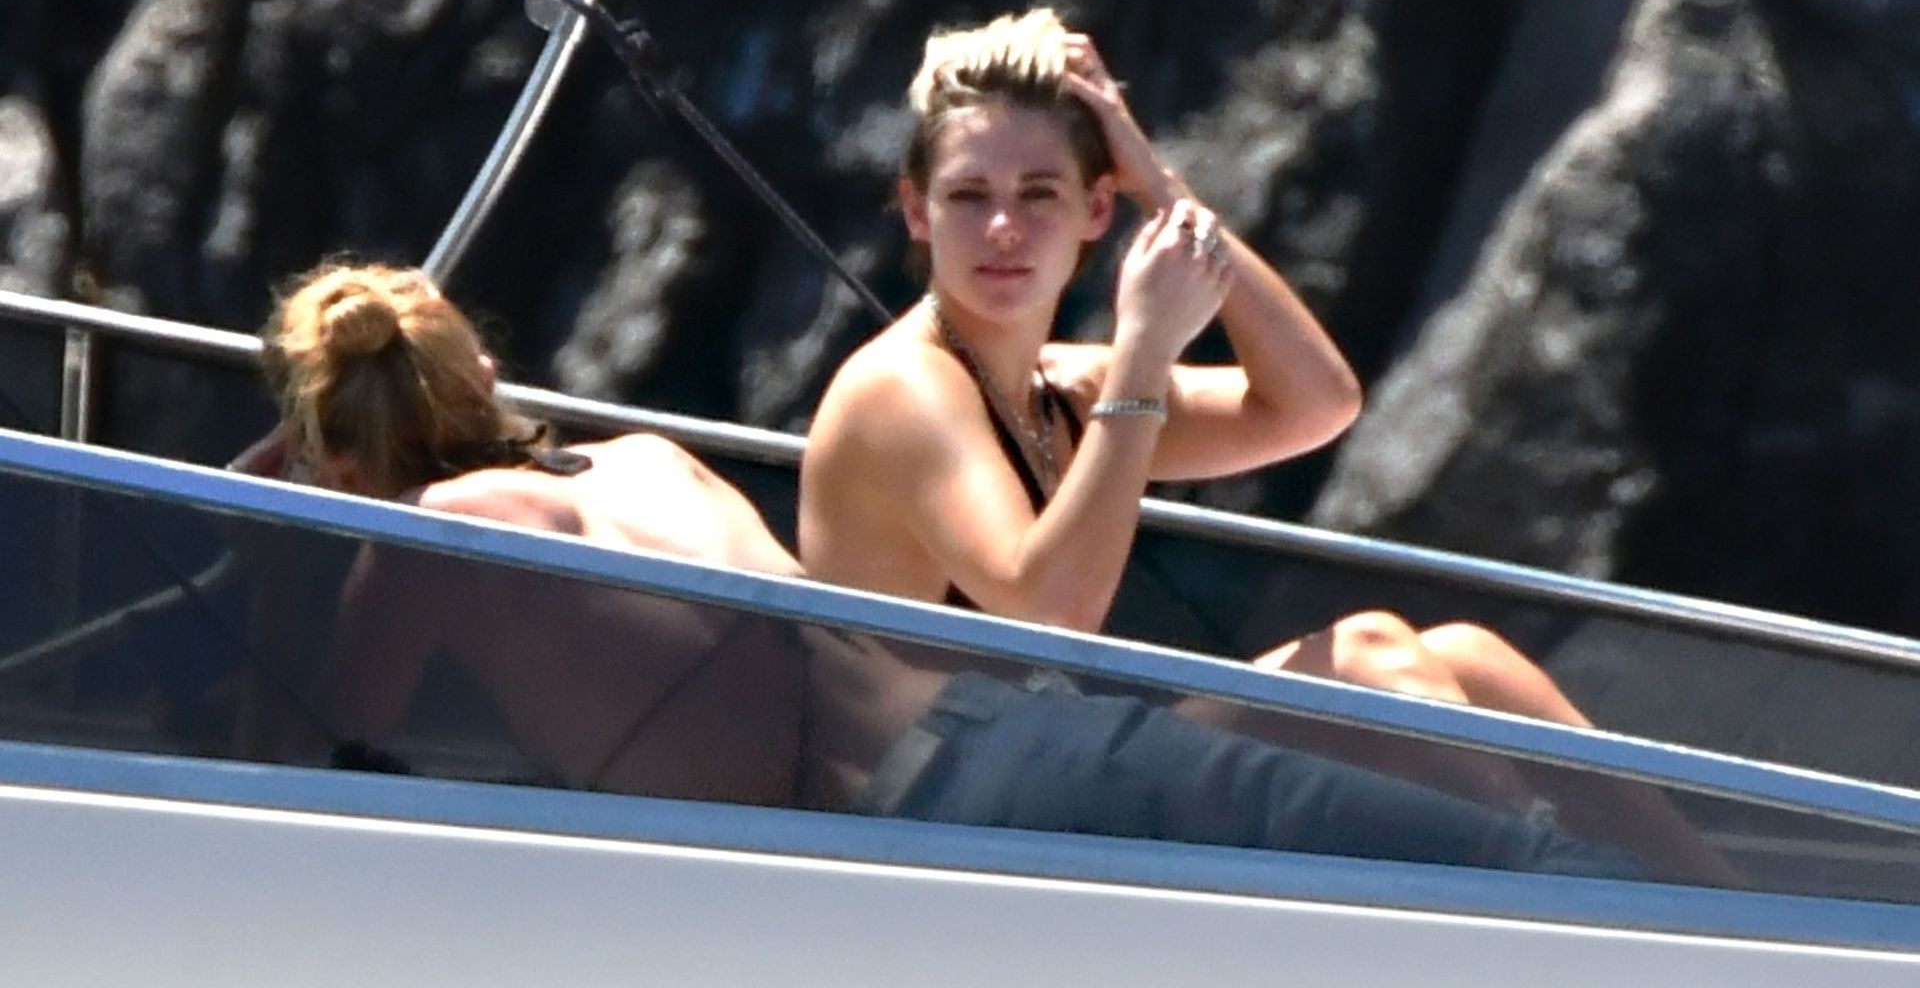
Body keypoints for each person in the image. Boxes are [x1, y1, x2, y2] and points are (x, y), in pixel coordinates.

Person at [235, 259, 1646, 883]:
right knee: (1489, 859)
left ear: (333, 458)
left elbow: (291, 757)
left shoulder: (435, 543)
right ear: (483, 371)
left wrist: (269, 524)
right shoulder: (648, 459)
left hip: (939, 823)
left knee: (1473, 869)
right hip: (998, 733)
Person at [796, 9, 1742, 884]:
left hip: (1057, 760)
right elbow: (1049, 612)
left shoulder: (1059, 388)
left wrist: (1161, 186)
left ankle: (1735, 913)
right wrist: (1143, 353)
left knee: (1473, 658)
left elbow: (1316, 404)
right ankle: (1573, 898)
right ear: (916, 211)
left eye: (1039, 193)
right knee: (1370, 653)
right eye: (968, 196)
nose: (1003, 228)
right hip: (929, 802)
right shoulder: (906, 387)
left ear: (1096, 210)